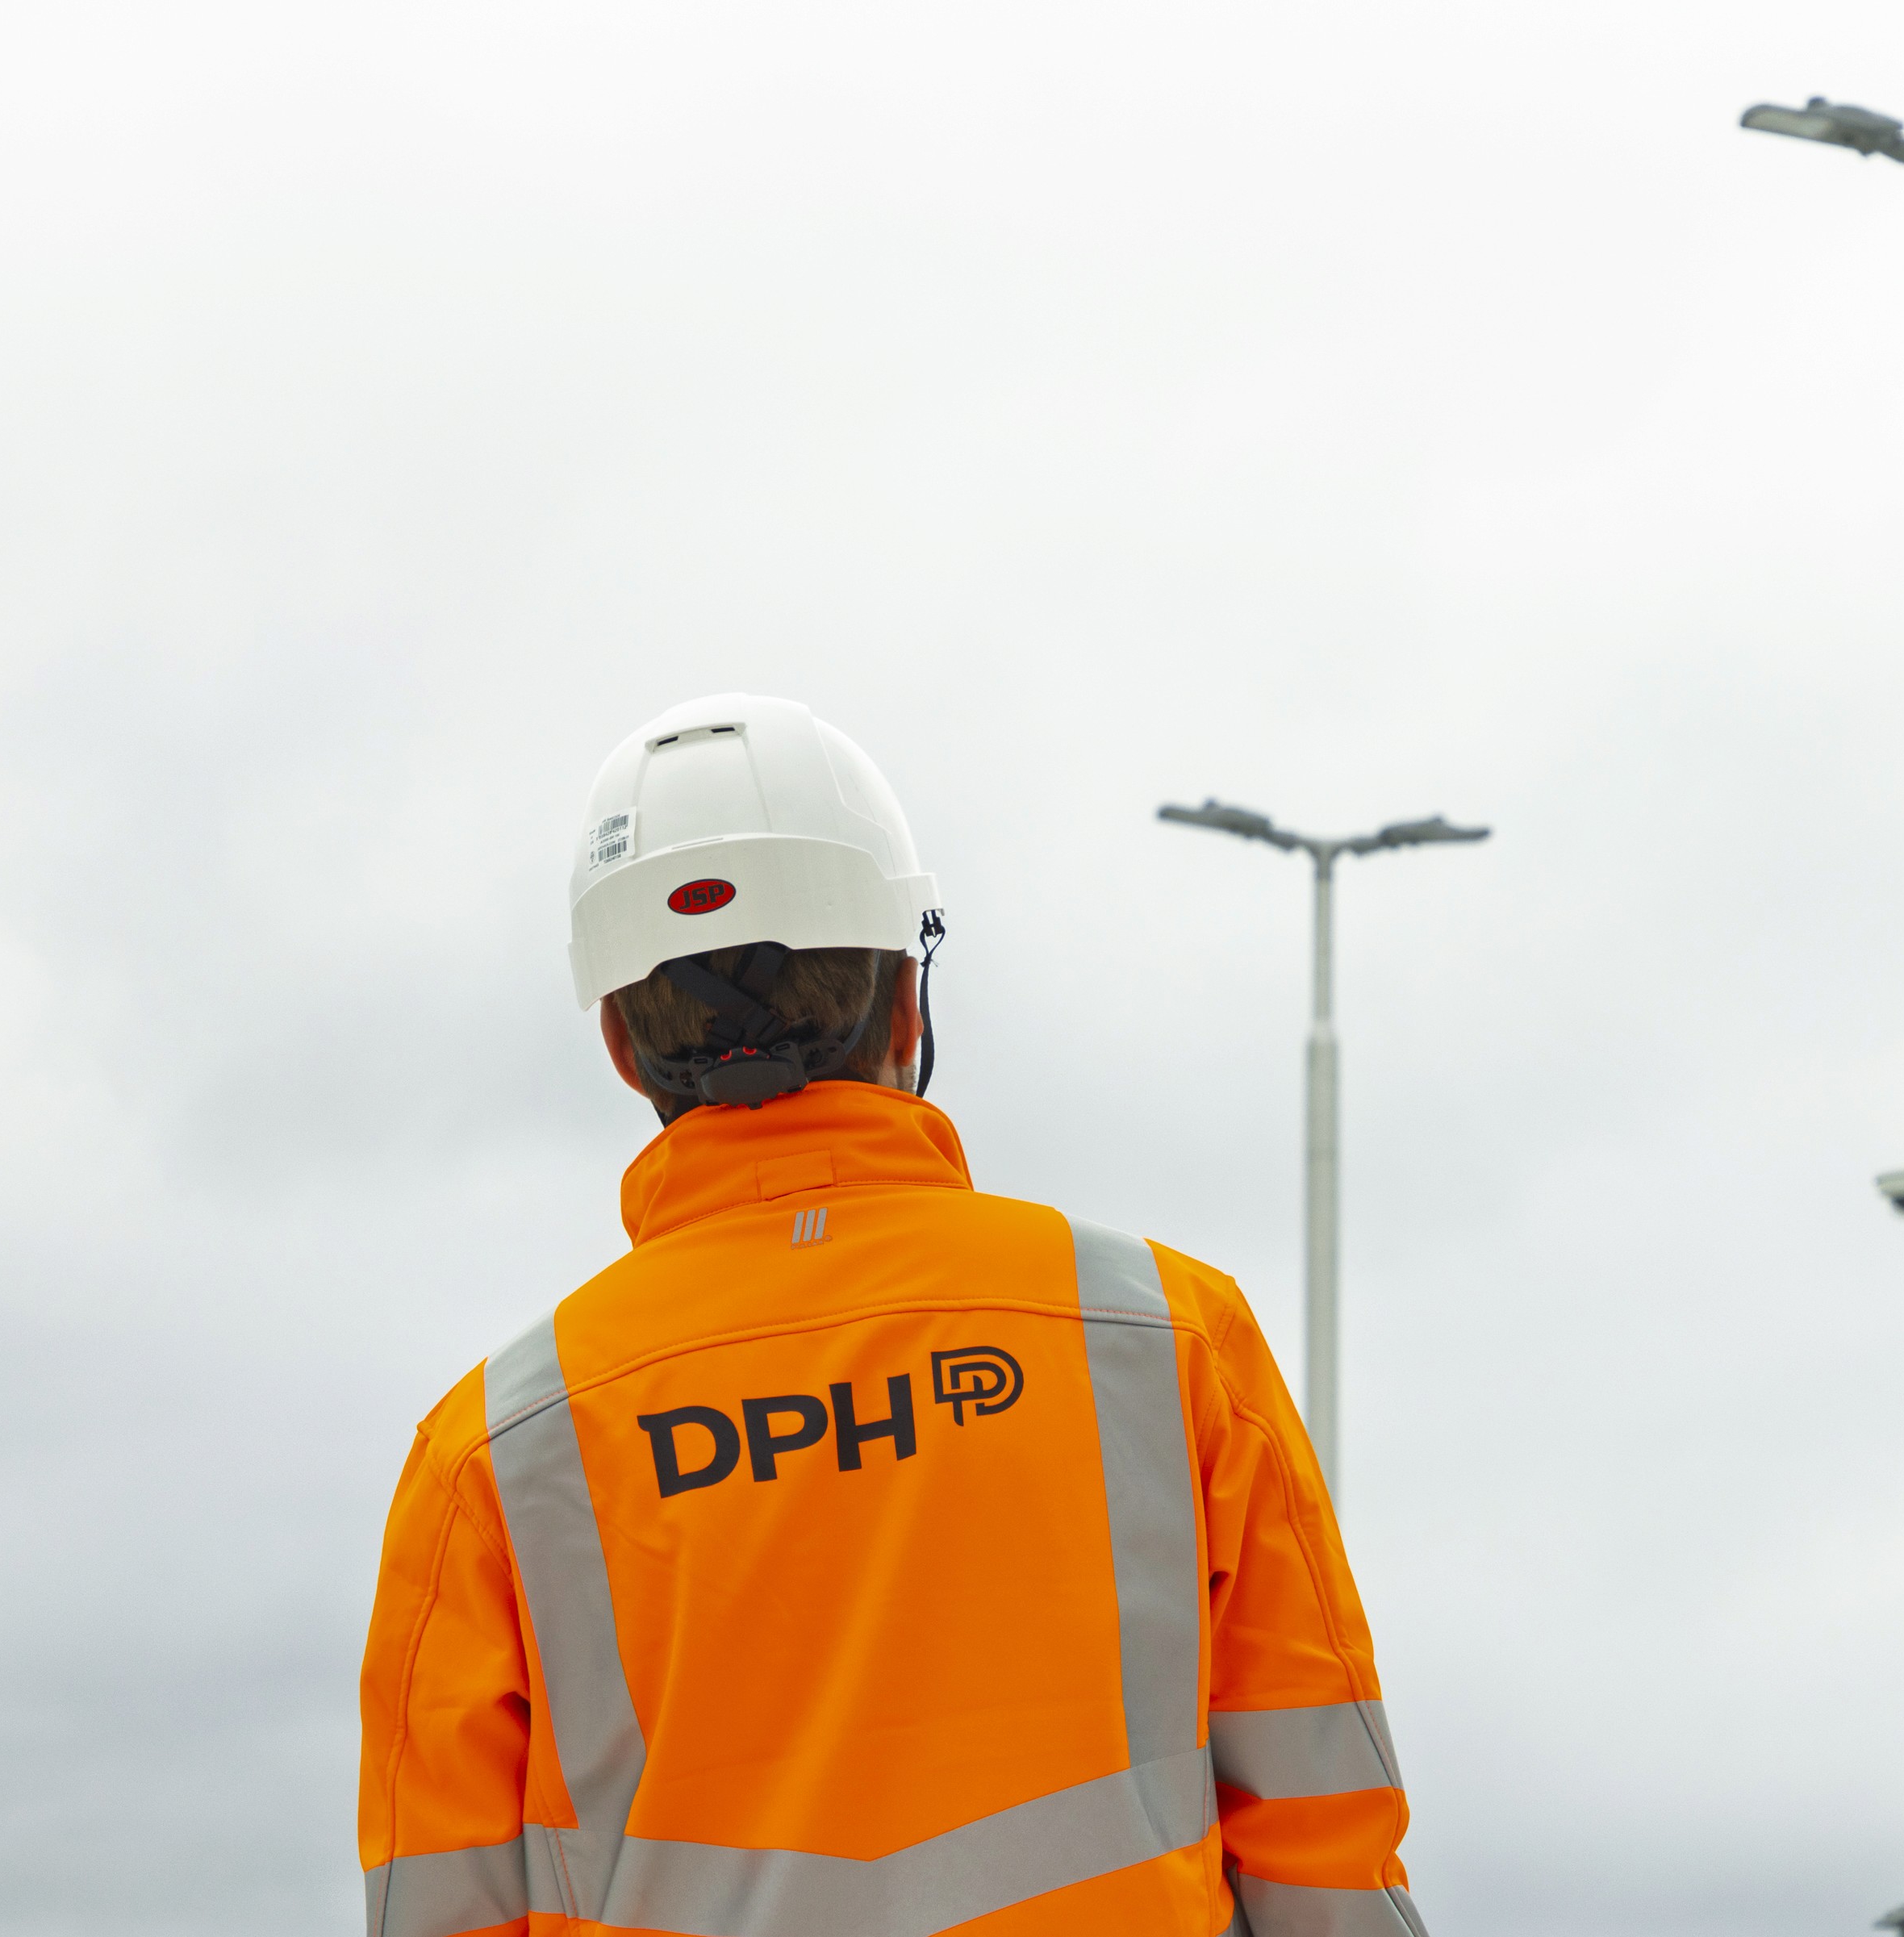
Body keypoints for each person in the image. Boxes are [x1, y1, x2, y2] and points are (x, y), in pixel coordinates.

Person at [356, 694, 1426, 1937]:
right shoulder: (1164, 1339)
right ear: (906, 1004)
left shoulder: (490, 1456)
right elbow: (1327, 1853)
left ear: (619, 1043)